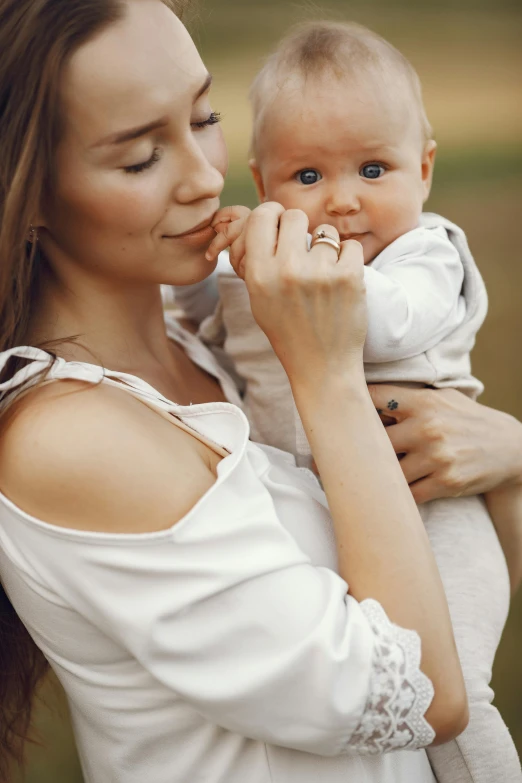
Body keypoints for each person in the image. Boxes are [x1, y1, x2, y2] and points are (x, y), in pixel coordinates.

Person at [0, 2, 520, 782]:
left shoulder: (205, 339)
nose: (208, 176)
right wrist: (328, 372)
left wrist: (505, 456)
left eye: (205, 116)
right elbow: (428, 693)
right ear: (29, 190)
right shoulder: (69, 435)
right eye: (142, 157)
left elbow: (468, 593)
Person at [172, 21, 522, 782]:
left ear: (423, 169)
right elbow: (197, 317)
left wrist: (305, 266)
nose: (342, 203)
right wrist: (212, 264)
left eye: (373, 168)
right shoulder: (261, 268)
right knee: (372, 689)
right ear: (263, 186)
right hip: (327, 509)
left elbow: (400, 318)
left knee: (453, 681)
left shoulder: (426, 254)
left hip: (437, 506)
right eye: (307, 178)